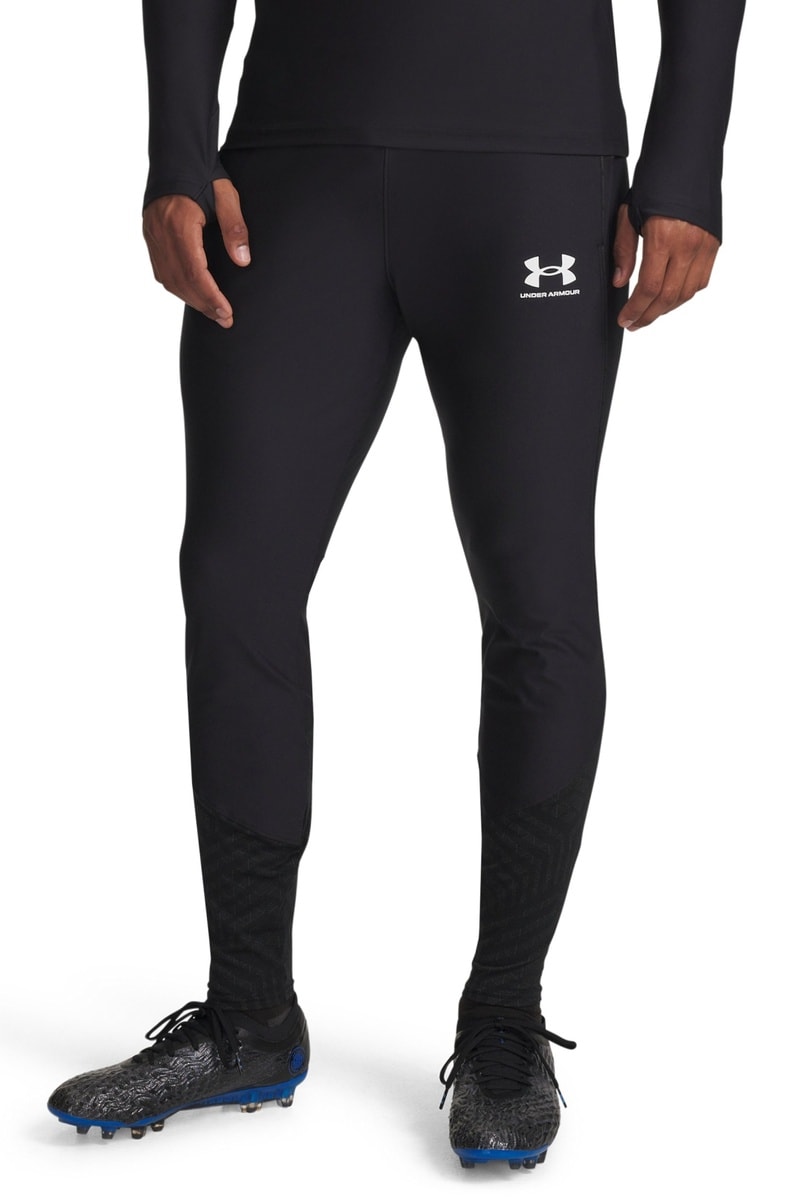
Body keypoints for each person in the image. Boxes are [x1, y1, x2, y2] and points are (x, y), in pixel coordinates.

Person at [47, 0, 746, 1169]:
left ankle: (503, 1023)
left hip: (532, 166)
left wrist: (684, 161)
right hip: (292, 167)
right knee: (233, 581)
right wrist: (176, 147)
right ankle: (248, 1018)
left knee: (535, 598)